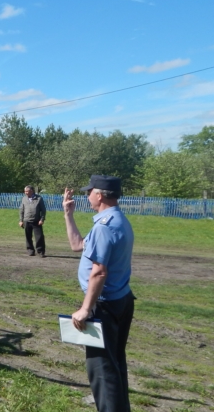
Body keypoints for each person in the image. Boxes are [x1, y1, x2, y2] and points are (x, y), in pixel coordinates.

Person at [63, 175, 135, 412]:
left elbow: (99, 273)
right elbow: (77, 245)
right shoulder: (116, 220)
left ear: (100, 194)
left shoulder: (105, 227)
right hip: (121, 300)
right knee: (114, 364)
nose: (86, 196)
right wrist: (68, 214)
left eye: (89, 192)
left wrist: (86, 309)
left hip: (104, 306)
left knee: (102, 370)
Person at [19, 185, 46, 257]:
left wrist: (42, 219)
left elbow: (43, 210)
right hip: (26, 220)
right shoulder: (24, 199)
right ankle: (30, 250)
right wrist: (21, 220)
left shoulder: (39, 198)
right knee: (28, 237)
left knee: (39, 237)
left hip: (36, 221)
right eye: (25, 191)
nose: (25, 193)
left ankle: (40, 252)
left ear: (31, 191)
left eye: (27, 191)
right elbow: (21, 210)